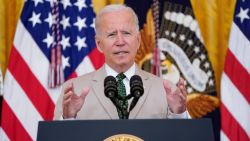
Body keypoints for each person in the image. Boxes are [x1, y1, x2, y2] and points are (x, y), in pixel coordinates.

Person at [53, 4, 189, 120]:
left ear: (138, 40)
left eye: (126, 33)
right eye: (112, 34)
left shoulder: (167, 91)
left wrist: (179, 113)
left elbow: (184, 136)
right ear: (99, 44)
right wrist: (68, 117)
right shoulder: (74, 90)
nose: (120, 41)